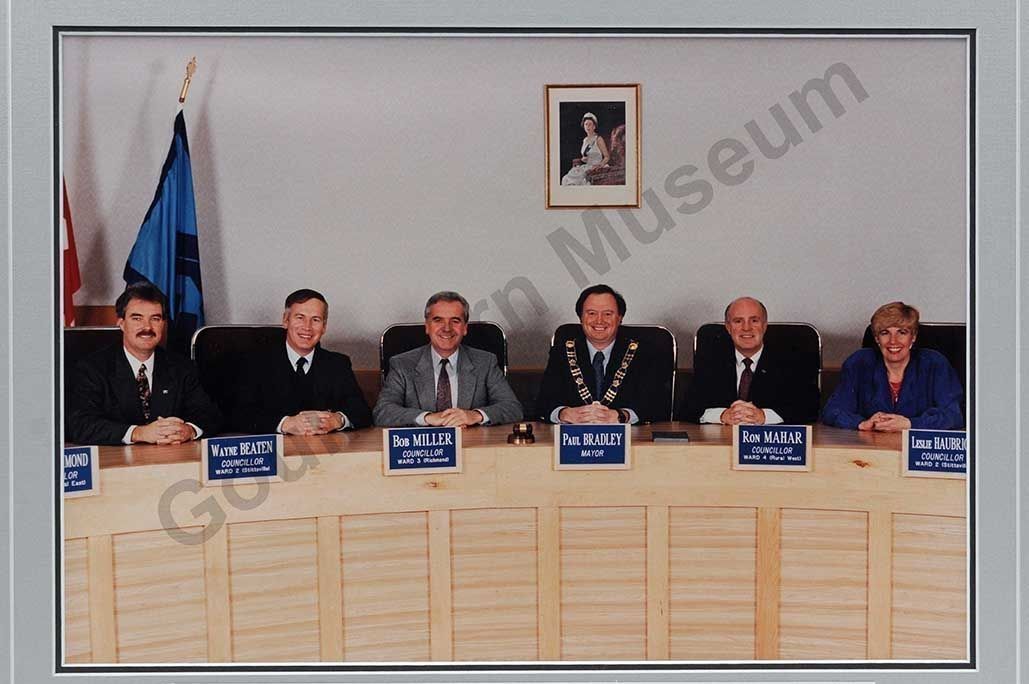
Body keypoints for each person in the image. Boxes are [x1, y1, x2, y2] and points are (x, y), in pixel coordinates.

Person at [65, 282, 221, 445]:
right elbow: (80, 424)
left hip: (171, 456)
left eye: (155, 318)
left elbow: (210, 415)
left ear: (163, 324)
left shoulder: (181, 367)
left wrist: (189, 430)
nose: (147, 327)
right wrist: (138, 433)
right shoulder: (92, 368)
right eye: (137, 318)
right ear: (121, 323)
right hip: (116, 459)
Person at [231, 289, 372, 434]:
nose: (307, 327)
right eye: (300, 317)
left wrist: (338, 419)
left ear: (324, 327)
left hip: (326, 446)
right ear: (285, 321)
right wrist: (284, 424)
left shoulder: (337, 364)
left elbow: (362, 411)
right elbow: (238, 413)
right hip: (277, 447)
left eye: (315, 320)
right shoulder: (255, 362)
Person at [373, 291, 523, 427]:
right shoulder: (402, 364)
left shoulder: (485, 362)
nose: (447, 328)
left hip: (470, 443)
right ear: (427, 326)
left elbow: (512, 408)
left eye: (455, 321)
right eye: (438, 320)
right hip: (422, 446)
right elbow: (382, 412)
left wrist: (474, 415)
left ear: (465, 328)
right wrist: (428, 418)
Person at [822, 301, 963, 431]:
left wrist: (909, 424)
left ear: (913, 337)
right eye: (885, 333)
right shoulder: (859, 363)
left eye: (902, 332)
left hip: (918, 448)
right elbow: (832, 411)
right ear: (877, 338)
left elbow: (953, 415)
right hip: (870, 447)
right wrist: (862, 424)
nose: (893, 341)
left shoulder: (935, 364)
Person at [536, 284, 664, 424]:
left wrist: (622, 416)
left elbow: (656, 404)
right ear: (581, 317)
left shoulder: (644, 354)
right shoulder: (561, 353)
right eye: (591, 313)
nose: (599, 320)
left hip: (629, 435)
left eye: (607, 314)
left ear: (620, 318)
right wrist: (564, 414)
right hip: (574, 435)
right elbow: (543, 404)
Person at [680, 296, 819, 425]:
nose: (746, 328)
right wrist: (723, 415)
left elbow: (810, 408)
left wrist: (763, 416)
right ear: (728, 327)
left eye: (754, 321)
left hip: (770, 441)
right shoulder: (711, 360)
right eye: (738, 321)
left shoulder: (792, 362)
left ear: (764, 325)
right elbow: (687, 409)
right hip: (721, 439)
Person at [560, 112, 610, 186]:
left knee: (578, 181)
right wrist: (583, 159)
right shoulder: (585, 140)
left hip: (596, 167)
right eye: (586, 124)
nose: (587, 127)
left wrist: (600, 165)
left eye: (590, 124)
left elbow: (607, 157)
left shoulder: (598, 139)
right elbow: (585, 156)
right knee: (566, 178)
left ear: (594, 126)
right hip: (587, 166)